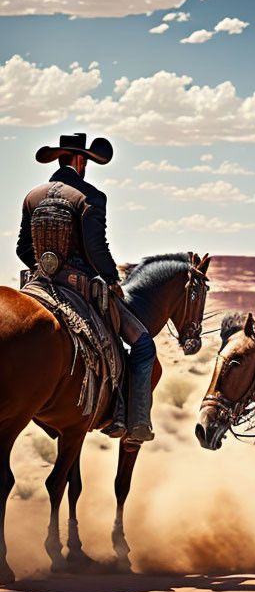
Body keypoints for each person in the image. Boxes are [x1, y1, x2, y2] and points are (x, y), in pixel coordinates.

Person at [17, 133, 157, 444]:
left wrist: (46, 266)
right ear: (80, 161)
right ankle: (134, 422)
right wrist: (111, 277)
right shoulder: (91, 197)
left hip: (38, 282)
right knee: (144, 344)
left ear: (60, 158)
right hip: (79, 287)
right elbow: (96, 250)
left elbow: (23, 250)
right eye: (87, 161)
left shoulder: (33, 196)